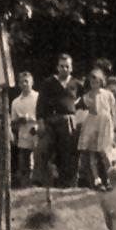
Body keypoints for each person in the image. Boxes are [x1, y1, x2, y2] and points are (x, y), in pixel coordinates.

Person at [36, 53, 82, 188]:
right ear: (57, 67)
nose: (64, 69)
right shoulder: (48, 83)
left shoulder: (76, 83)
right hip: (51, 121)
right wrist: (40, 121)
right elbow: (41, 103)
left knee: (68, 152)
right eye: (62, 66)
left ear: (71, 68)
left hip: (69, 121)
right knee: (45, 150)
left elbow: (85, 99)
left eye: (67, 66)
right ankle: (44, 182)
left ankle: (67, 183)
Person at [78, 69, 116, 190]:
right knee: (92, 152)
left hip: (105, 123)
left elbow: (113, 111)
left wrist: (115, 127)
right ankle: (97, 180)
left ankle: (110, 179)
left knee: (104, 152)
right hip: (92, 123)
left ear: (101, 81)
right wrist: (94, 95)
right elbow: (94, 110)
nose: (94, 83)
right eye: (92, 81)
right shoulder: (87, 96)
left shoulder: (108, 94)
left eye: (97, 81)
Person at [11, 72, 39, 187]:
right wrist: (20, 120)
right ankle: (25, 186)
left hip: (37, 131)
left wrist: (32, 120)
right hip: (23, 134)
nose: (24, 84)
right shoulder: (16, 102)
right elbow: (13, 123)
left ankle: (37, 185)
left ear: (32, 82)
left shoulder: (38, 97)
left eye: (26, 81)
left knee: (38, 159)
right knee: (24, 162)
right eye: (21, 82)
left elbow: (45, 115)